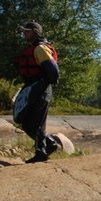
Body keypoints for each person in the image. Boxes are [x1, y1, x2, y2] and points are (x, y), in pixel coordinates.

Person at [16, 21, 62, 163]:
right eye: (23, 31)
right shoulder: (34, 48)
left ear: (35, 32)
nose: (24, 33)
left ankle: (41, 152)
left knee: (36, 123)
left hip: (41, 90)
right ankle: (49, 144)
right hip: (34, 89)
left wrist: (41, 85)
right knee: (27, 123)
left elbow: (53, 73)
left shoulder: (40, 49)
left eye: (27, 31)